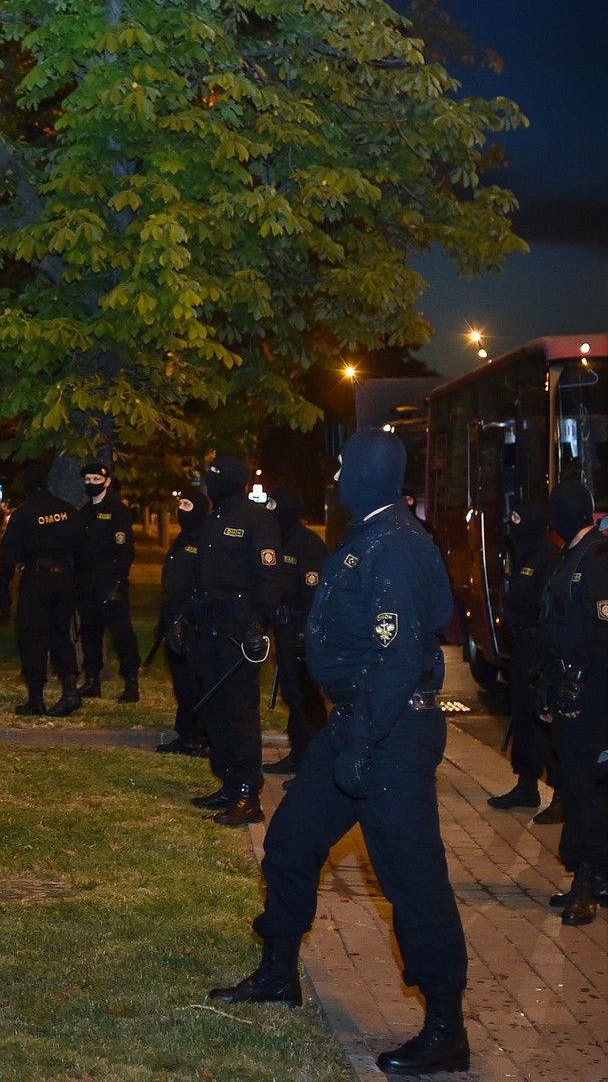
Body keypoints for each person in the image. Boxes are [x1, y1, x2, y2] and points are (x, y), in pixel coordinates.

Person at [211, 429, 469, 1078]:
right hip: (353, 728)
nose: (338, 477)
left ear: (372, 476)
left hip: (389, 736)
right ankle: (277, 974)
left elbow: (398, 658)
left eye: (348, 467)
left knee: (413, 883)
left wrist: (362, 743)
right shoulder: (373, 535)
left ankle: (446, 1028)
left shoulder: (399, 547)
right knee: (291, 843)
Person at [186, 454, 282, 825]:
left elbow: (270, 576)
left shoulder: (258, 521)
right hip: (209, 627)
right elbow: (202, 575)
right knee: (213, 709)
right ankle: (228, 782)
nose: (210, 484)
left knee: (240, 713)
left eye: (216, 478)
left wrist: (260, 623)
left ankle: (248, 794)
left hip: (239, 632)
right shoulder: (214, 520)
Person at [533, 481, 608, 926]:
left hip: (593, 697)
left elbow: (600, 636)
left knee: (588, 788)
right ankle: (591, 875)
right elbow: (555, 627)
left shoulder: (597, 559)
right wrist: (547, 685)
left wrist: (577, 686)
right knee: (578, 785)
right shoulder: (572, 557)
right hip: (570, 692)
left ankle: (589, 880)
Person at [488, 497, 563, 819]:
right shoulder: (526, 554)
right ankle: (527, 784)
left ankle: (561, 793)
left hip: (538, 651)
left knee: (545, 724)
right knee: (522, 717)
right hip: (522, 650)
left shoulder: (548, 558)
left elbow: (549, 611)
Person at [0, 461, 82, 716]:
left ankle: (36, 697)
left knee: (33, 637)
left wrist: (3, 588)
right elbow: (82, 547)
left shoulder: (23, 514)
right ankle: (69, 690)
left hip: (36, 579)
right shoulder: (66, 510)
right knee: (61, 635)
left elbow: (8, 553)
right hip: (64, 579)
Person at [262, 486, 329, 774]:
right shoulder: (276, 539)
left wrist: (302, 628)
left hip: (302, 629)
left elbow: (313, 590)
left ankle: (315, 763)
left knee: (305, 697)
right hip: (282, 629)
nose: (270, 510)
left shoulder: (307, 543)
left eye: (275, 504)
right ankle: (299, 753)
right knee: (291, 693)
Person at [74, 461, 139, 701]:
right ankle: (92, 680)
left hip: (110, 582)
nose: (91, 484)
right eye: (88, 480)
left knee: (121, 634)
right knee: (90, 632)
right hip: (88, 583)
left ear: (107, 482)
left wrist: (119, 581)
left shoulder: (117, 511)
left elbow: (125, 551)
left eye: (96, 480)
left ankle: (131, 682)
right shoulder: (85, 513)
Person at [155, 488, 211, 755]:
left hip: (193, 624)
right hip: (173, 620)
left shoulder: (205, 540)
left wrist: (187, 617)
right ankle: (186, 732)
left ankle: (200, 735)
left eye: (188, 504)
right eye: (181, 504)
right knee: (180, 681)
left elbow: (205, 584)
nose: (182, 509)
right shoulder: (182, 538)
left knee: (194, 682)